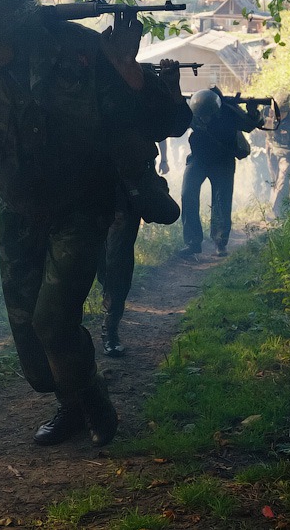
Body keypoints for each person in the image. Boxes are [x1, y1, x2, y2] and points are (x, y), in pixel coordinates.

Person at [0, 0, 182, 447]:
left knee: (53, 321)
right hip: (16, 207)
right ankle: (70, 402)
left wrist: (130, 73)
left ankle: (94, 403)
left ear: (22, 29)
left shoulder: (80, 51)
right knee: (32, 345)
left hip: (83, 204)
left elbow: (171, 120)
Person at [96, 62, 191, 358]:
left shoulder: (145, 83)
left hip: (129, 186)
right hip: (90, 184)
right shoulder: (88, 76)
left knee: (119, 263)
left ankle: (110, 328)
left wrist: (172, 86)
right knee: (94, 262)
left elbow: (175, 124)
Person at [178, 88, 264, 258]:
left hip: (222, 161)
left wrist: (252, 111)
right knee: (187, 194)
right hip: (198, 159)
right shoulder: (193, 112)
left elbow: (249, 125)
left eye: (207, 115)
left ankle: (220, 242)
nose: (203, 118)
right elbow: (176, 126)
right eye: (200, 116)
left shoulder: (229, 112)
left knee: (222, 200)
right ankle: (193, 242)